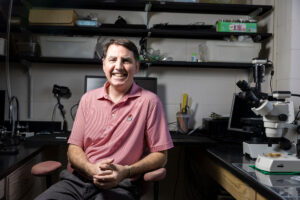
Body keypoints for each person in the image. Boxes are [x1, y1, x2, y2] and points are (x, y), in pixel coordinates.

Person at [35, 38, 174, 200]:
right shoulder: (88, 99)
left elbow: (161, 156)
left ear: (136, 66)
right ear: (104, 64)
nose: (118, 66)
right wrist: (90, 168)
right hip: (77, 181)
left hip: (121, 183)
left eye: (126, 60)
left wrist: (125, 171)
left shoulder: (150, 101)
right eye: (113, 59)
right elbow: (74, 148)